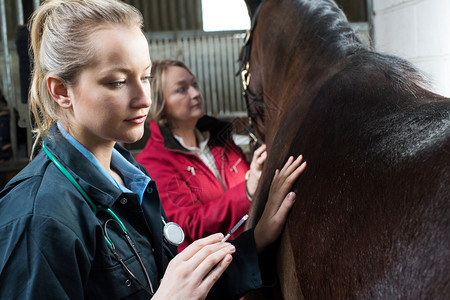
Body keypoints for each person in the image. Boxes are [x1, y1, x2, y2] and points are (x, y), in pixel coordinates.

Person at [0, 0, 307, 299]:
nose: (144, 98)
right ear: (62, 91)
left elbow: (180, 285)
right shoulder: (37, 219)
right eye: (118, 82)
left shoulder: (132, 178)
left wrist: (259, 238)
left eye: (144, 76)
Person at [136, 60, 267, 251]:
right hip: (218, 268)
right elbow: (188, 225)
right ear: (160, 104)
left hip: (253, 248)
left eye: (194, 85)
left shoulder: (221, 140)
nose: (196, 93)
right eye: (182, 89)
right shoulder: (153, 162)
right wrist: (247, 190)